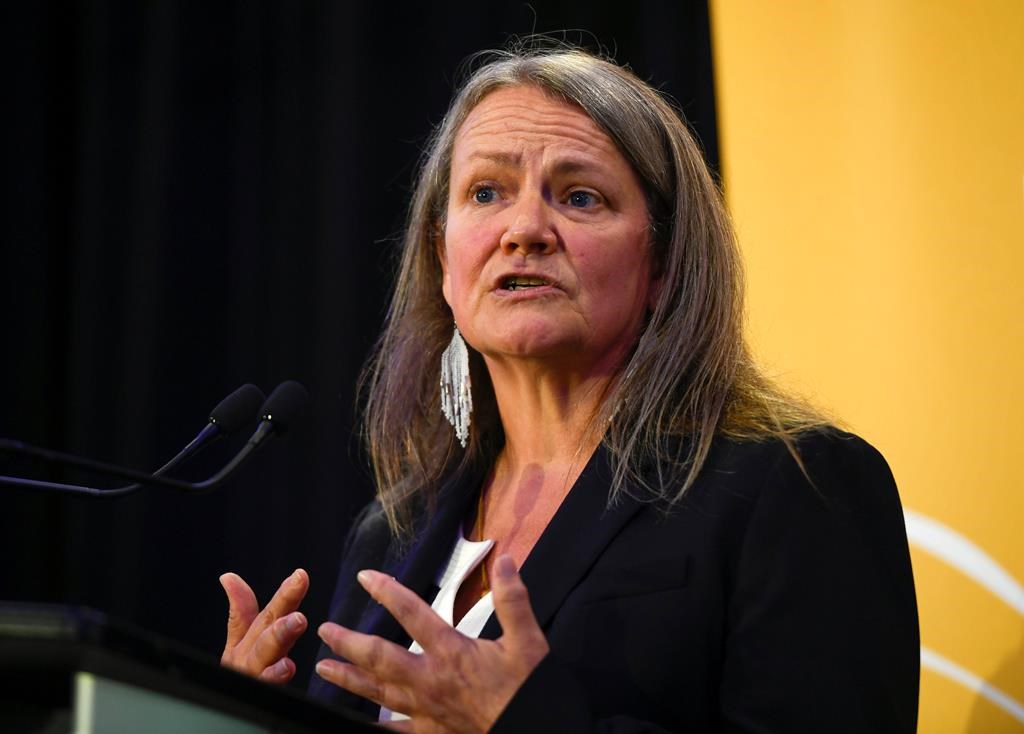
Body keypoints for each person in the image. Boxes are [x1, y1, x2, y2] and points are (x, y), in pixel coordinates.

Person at [219, 45, 919, 732]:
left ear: (664, 265)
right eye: (486, 192)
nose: (523, 230)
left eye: (580, 196)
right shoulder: (391, 533)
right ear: (442, 261)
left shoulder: (791, 487)